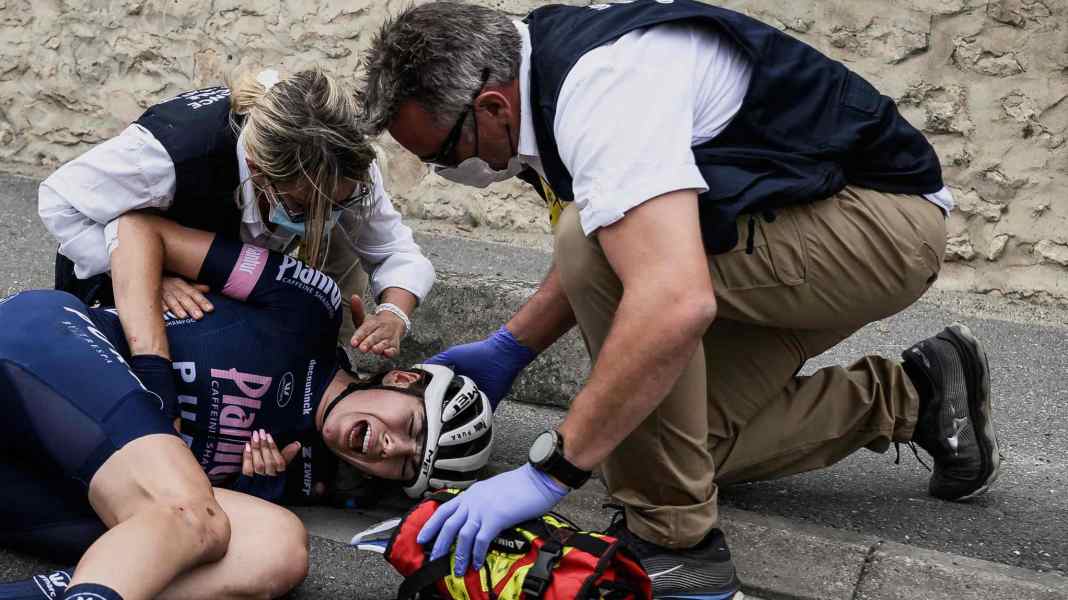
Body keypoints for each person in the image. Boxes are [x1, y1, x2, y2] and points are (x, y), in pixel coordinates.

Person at [358, 2, 1002, 598]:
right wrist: (510, 349)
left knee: (588, 255)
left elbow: (667, 299)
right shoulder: (534, 74)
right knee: (657, 445)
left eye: (444, 153)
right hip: (797, 230)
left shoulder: (602, 90)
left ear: (493, 105)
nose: (448, 174)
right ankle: (913, 396)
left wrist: (548, 473)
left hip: (882, 229)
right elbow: (626, 229)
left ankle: (674, 546)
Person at [0, 212, 493, 600]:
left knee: (276, 551)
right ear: (402, 378)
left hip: (41, 479)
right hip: (41, 356)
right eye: (409, 426)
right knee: (198, 516)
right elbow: (138, 231)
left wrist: (254, 493)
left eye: (405, 464)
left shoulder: (311, 479)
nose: (390, 446)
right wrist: (155, 374)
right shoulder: (310, 310)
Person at [39, 66, 433, 359]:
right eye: (301, 205)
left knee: (346, 235)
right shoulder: (165, 158)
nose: (319, 219)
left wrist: (394, 312)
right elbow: (59, 201)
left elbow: (394, 251)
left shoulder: (344, 163)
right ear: (258, 171)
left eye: (336, 202)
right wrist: (149, 277)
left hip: (226, 264)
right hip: (119, 274)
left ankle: (325, 362)